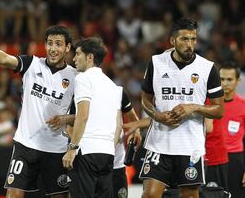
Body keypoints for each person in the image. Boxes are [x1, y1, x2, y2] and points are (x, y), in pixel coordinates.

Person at [0, 25, 76, 198]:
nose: (53, 49)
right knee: (14, 193)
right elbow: (3, 59)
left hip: (56, 148)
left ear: (67, 47)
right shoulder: (32, 64)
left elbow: (83, 116)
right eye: (50, 43)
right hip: (26, 145)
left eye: (59, 44)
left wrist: (66, 118)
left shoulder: (75, 77)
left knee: (60, 196)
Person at [140, 18, 224, 198]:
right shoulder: (156, 63)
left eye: (193, 39)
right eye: (184, 39)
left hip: (190, 146)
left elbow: (219, 110)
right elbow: (145, 100)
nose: (190, 44)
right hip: (159, 144)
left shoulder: (207, 68)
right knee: (149, 195)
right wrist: (158, 116)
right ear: (172, 41)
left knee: (190, 196)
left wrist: (193, 107)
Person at [60, 37, 122, 198]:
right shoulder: (113, 85)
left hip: (86, 151)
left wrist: (72, 149)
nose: (73, 58)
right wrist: (110, 146)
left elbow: (83, 115)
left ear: (90, 57)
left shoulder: (83, 78)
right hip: (107, 153)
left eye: (78, 54)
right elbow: (118, 124)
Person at [219, 63, 245, 197]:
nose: (225, 83)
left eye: (229, 79)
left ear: (238, 81)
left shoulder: (243, 106)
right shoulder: (208, 105)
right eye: (222, 79)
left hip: (235, 160)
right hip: (212, 159)